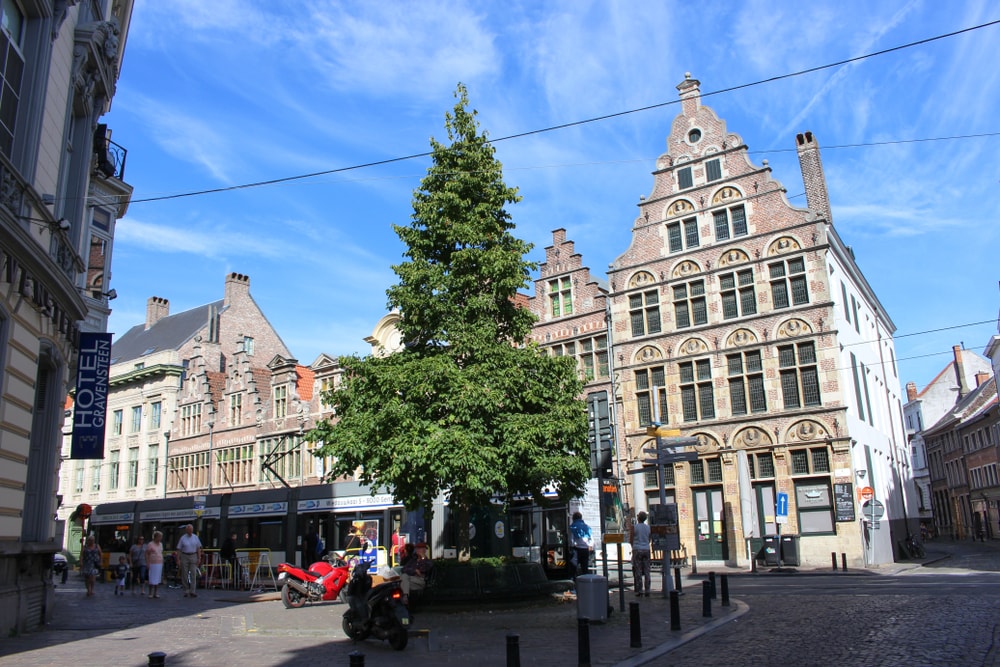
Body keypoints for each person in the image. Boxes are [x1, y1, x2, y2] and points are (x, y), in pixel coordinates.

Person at [399, 542, 433, 607]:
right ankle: (405, 597)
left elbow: (424, 570)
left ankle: (405, 598)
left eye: (420, 549)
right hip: (409, 579)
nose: (418, 551)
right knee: (404, 579)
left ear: (424, 550)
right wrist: (414, 570)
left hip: (420, 580)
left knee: (403, 580)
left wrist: (423, 559)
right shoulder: (412, 560)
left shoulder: (428, 561)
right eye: (417, 549)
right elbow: (404, 569)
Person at [176, 523, 204, 598]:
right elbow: (179, 549)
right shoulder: (183, 538)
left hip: (193, 555)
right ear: (186, 530)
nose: (190, 531)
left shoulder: (195, 537)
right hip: (184, 555)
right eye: (189, 530)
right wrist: (178, 559)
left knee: (193, 573)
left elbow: (198, 548)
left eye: (191, 530)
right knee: (184, 573)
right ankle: (186, 590)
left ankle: (192, 591)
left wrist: (199, 558)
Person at [630, 511, 652, 597]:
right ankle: (647, 589)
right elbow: (649, 539)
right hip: (646, 549)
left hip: (637, 549)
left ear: (638, 518)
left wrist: (633, 546)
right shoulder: (648, 528)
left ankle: (640, 590)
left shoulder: (634, 527)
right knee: (647, 570)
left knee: (638, 570)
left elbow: (631, 539)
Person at [569, 512, 593, 578]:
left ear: (573, 518)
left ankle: (573, 582)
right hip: (585, 550)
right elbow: (591, 540)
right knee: (585, 568)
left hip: (576, 550)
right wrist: (588, 545)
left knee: (573, 567)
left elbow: (571, 540)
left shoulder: (573, 527)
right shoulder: (587, 527)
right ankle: (585, 583)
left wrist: (573, 545)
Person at [145, 531, 164, 598]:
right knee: (152, 578)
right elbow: (147, 554)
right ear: (156, 537)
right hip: (152, 563)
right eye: (159, 537)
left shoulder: (161, 544)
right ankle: (150, 592)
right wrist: (147, 563)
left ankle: (155, 592)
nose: (160, 538)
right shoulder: (150, 544)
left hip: (159, 562)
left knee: (157, 578)